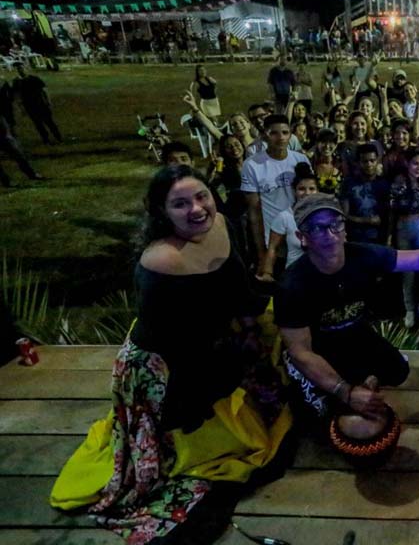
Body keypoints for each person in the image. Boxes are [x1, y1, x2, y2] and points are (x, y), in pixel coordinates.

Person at [50, 166, 292, 543]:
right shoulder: (161, 261)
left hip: (216, 342)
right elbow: (175, 340)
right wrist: (233, 361)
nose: (197, 209)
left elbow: (239, 288)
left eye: (202, 196)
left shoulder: (224, 224)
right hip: (169, 366)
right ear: (162, 212)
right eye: (180, 204)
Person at [274, 194, 419, 435]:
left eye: (336, 224)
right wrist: (345, 391)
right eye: (317, 228)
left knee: (398, 370)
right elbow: (301, 352)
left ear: (345, 228)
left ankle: (363, 377)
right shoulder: (291, 286)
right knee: (320, 424)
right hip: (317, 349)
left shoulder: (362, 255)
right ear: (302, 238)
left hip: (354, 334)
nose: (330, 234)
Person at [241, 115, 313, 273]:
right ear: (265, 135)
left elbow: (312, 199)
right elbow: (254, 212)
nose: (281, 138)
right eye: (274, 133)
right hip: (276, 242)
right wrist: (262, 255)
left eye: (285, 132)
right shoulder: (252, 165)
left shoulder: (301, 160)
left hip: (304, 238)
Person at [388, 149, 419, 327]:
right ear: (407, 164)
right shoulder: (399, 182)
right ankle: (409, 310)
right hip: (402, 227)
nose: (418, 167)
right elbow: (391, 210)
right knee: (407, 271)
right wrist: (390, 235)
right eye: (415, 163)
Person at [258, 163, 318, 281]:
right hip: (294, 276)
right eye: (301, 189)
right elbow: (272, 248)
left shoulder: (327, 214)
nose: (307, 193)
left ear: (318, 191)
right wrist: (267, 273)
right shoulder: (284, 217)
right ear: (294, 191)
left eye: (312, 189)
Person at [340, 142, 389, 244]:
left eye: (372, 160)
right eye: (365, 161)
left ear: (377, 161)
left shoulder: (384, 184)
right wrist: (367, 220)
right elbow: (344, 216)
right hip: (355, 239)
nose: (369, 164)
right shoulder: (348, 184)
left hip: (379, 240)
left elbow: (388, 216)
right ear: (358, 163)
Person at [13, 63, 62, 145]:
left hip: (40, 103)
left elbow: (44, 90)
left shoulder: (34, 79)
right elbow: (17, 95)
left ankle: (58, 137)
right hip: (29, 106)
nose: (21, 70)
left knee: (49, 122)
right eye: (19, 69)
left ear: (26, 68)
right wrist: (21, 107)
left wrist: (48, 101)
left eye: (22, 68)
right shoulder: (17, 82)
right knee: (38, 124)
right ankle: (46, 139)